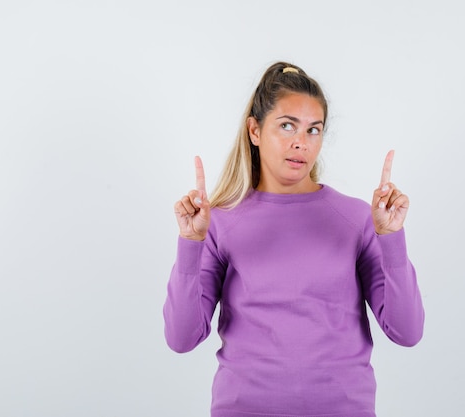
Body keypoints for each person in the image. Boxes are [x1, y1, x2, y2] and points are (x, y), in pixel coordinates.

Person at [163, 61, 424, 417]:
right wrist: (190, 244)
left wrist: (391, 237)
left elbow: (406, 332)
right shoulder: (220, 222)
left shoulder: (358, 219)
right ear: (254, 130)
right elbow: (181, 339)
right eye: (287, 126)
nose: (301, 143)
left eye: (313, 130)